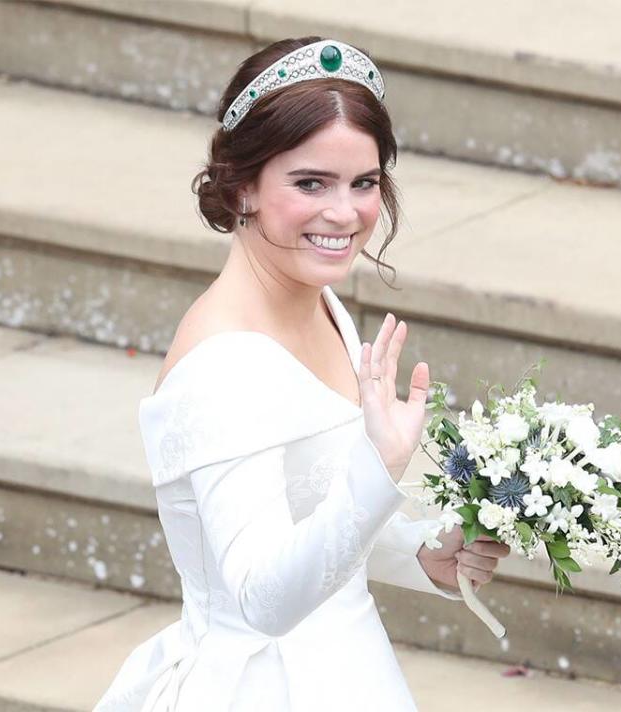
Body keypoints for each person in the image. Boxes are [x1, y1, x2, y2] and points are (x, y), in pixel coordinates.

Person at [94, 36, 511, 711]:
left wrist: (418, 552)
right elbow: (261, 597)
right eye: (310, 182)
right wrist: (378, 469)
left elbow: (309, 509)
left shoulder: (321, 303)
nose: (344, 214)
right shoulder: (223, 367)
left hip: (349, 670)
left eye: (364, 183)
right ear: (243, 184)